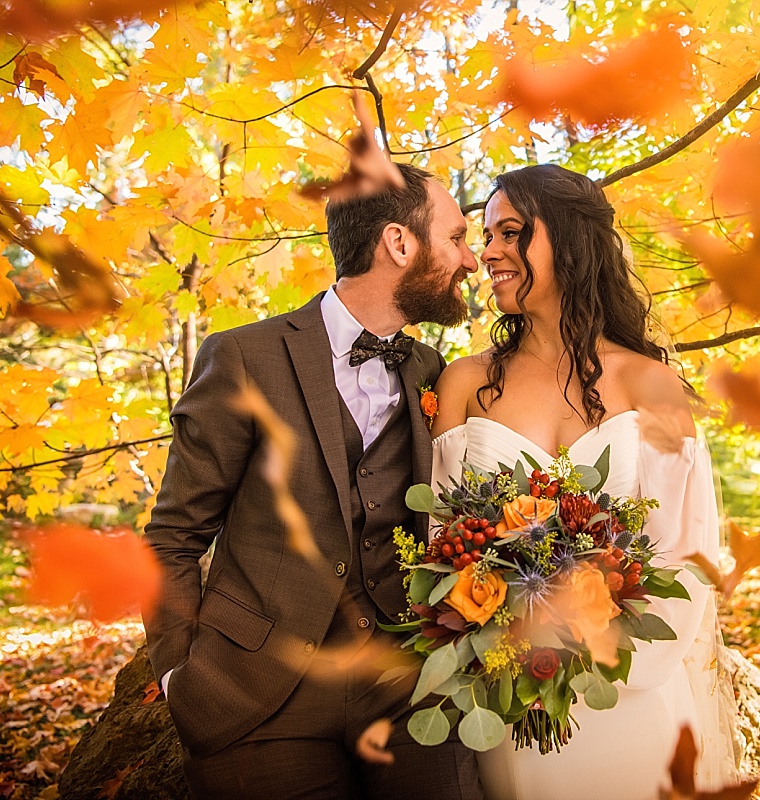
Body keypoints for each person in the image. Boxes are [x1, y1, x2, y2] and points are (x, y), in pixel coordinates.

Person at [143, 163, 484, 800]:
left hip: (408, 687)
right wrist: (177, 676)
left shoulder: (434, 370)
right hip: (261, 697)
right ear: (399, 243)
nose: (471, 259)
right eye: (458, 237)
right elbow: (173, 536)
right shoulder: (245, 357)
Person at [429, 164, 740, 800]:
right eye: (486, 236)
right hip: (515, 701)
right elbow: (440, 544)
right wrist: (506, 649)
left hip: (636, 696)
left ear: (570, 239)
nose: (489, 253)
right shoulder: (462, 385)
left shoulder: (651, 385)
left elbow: (690, 555)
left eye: (511, 233)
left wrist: (597, 655)